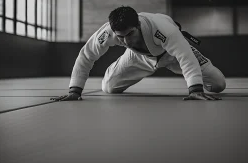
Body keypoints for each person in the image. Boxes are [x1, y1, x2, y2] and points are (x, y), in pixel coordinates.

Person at [51, 6, 226, 102]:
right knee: (109, 88)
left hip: (172, 54)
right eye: (121, 37)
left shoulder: (163, 29)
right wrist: (75, 90)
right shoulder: (107, 33)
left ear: (139, 26)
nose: (125, 41)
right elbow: (86, 56)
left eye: (130, 34)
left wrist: (194, 89)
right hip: (138, 57)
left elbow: (185, 56)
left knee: (218, 85)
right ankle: (117, 68)